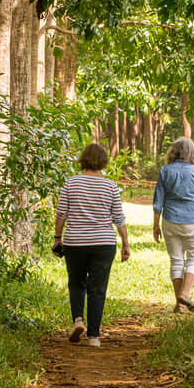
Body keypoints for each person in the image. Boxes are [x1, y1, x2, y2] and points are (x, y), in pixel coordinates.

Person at [54, 142, 131, 348]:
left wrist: (57, 238)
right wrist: (125, 243)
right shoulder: (110, 186)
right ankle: (94, 336)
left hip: (75, 242)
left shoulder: (71, 184)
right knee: (98, 288)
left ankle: (78, 320)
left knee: (76, 282)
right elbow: (119, 218)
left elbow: (61, 214)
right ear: (104, 162)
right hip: (103, 243)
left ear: (83, 160)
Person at [152, 136, 194, 314]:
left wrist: (155, 226)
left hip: (170, 220)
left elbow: (158, 203)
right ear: (192, 153)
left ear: (173, 151)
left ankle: (179, 305)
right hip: (193, 221)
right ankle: (185, 295)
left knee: (176, 260)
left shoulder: (165, 171)